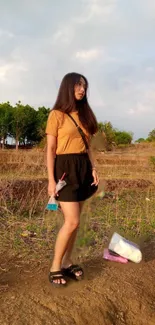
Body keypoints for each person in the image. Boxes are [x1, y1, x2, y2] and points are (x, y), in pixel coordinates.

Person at [46, 72, 99, 287]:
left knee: (76, 223)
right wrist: (51, 180)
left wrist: (94, 167)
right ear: (68, 87)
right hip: (64, 169)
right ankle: (55, 266)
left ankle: (68, 261)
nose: (82, 89)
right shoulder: (56, 115)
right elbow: (50, 149)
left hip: (83, 168)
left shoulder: (84, 115)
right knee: (72, 221)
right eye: (78, 85)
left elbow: (88, 147)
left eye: (84, 86)